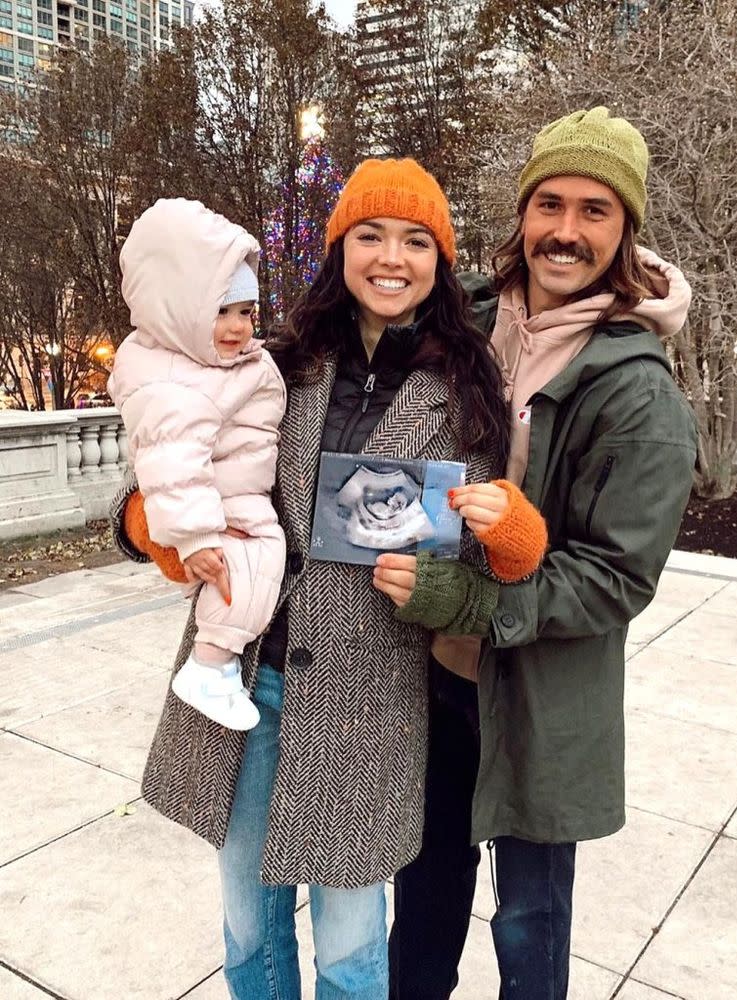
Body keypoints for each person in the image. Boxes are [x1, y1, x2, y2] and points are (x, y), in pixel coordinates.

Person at [110, 159, 547, 1000]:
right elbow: (162, 460)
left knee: (351, 949)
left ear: (439, 260)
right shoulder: (277, 361)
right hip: (244, 680)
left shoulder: (467, 389)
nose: (391, 257)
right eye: (370, 235)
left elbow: (485, 567)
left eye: (416, 240)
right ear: (340, 248)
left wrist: (502, 541)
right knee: (250, 927)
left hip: (369, 704)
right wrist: (147, 524)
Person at [374, 108, 698, 1000]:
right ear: (522, 213)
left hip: (543, 696)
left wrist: (470, 605)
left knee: (528, 917)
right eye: (548, 203)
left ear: (625, 228)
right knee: (424, 891)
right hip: (430, 678)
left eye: (594, 211)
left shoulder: (638, 391)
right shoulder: (461, 321)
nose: (564, 230)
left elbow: (615, 577)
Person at [108, 199, 286, 731]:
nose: (237, 327)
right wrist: (184, 533)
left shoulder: (220, 361)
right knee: (254, 559)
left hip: (229, 499)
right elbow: (168, 459)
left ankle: (216, 664)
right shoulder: (178, 376)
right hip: (221, 509)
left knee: (252, 560)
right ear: (182, 311)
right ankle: (213, 664)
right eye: (221, 312)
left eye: (246, 312)